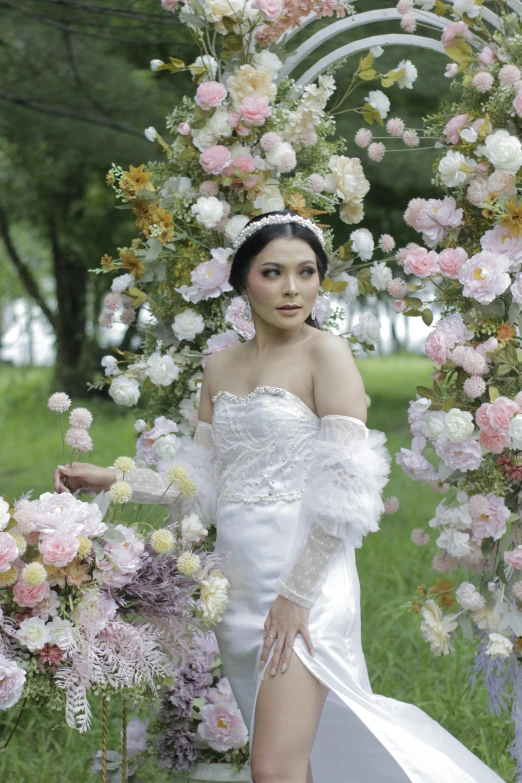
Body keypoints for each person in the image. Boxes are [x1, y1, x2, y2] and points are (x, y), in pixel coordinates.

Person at [54, 211, 504, 783]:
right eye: (274, 272)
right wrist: (110, 478)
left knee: (274, 769)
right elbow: (203, 482)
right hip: (238, 587)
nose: (292, 288)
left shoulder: (326, 354)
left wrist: (295, 595)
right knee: (299, 764)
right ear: (245, 280)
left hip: (305, 582)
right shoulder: (220, 366)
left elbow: (349, 486)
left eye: (306, 272)